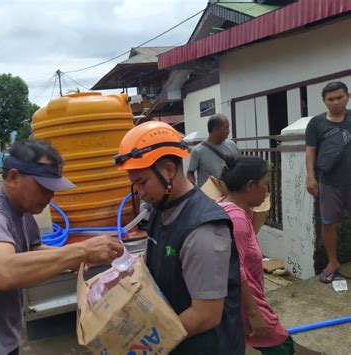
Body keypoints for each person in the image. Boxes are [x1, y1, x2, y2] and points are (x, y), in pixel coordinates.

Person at [0, 140, 123, 354]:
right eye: (43, 187)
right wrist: (81, 251)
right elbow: (4, 272)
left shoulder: (22, 211)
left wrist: (81, 257)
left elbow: (30, 251)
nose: (50, 196)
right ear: (13, 177)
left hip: (2, 338)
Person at [114, 121, 244, 354]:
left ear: (169, 170)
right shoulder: (159, 209)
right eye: (134, 183)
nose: (139, 191)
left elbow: (206, 315)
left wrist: (147, 345)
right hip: (178, 340)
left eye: (142, 182)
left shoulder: (204, 230)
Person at [218, 157, 294, 354]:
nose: (267, 193)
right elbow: (234, 268)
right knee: (282, 346)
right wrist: (254, 313)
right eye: (265, 185)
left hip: (238, 302)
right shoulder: (236, 220)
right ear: (251, 185)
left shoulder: (227, 206)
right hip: (246, 303)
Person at [305, 81, 351, 283]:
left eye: (339, 97)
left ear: (347, 97)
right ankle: (333, 261)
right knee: (328, 222)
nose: (335, 102)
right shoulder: (316, 123)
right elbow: (311, 151)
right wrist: (310, 176)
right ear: (324, 101)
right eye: (330, 99)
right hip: (329, 182)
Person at [187, 114, 240, 187]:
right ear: (215, 129)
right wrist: (193, 187)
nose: (229, 131)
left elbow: (240, 166)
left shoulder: (232, 145)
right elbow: (190, 173)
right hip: (208, 196)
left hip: (229, 193)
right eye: (226, 128)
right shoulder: (197, 151)